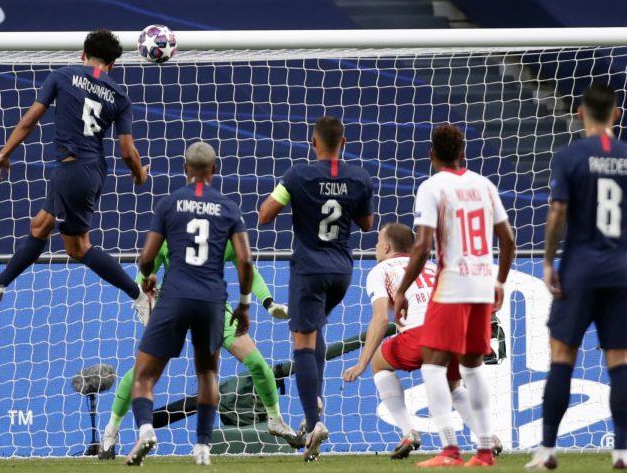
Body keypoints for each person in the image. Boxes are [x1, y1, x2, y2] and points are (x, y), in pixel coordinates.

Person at [0, 29, 151, 321]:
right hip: (91, 170)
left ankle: (140, 296)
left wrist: (4, 153)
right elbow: (127, 149)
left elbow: (29, 120)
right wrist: (138, 175)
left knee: (79, 248)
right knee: (40, 226)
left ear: (83, 55)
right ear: (112, 65)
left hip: (72, 171)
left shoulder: (62, 76)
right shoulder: (120, 96)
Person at [99, 240, 295, 460]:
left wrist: (268, 303)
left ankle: (275, 420)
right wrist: (145, 300)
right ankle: (111, 431)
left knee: (256, 363)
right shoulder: (169, 235)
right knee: (142, 371)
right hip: (173, 307)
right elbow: (144, 275)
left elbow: (249, 271)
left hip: (213, 308)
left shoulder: (224, 233)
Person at [124, 142, 253, 467]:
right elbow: (245, 261)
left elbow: (147, 257)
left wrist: (148, 277)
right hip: (211, 299)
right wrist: (243, 304)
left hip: (175, 297)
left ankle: (145, 430)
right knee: (208, 373)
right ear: (215, 169)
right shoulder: (228, 207)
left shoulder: (169, 204)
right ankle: (203, 449)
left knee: (144, 377)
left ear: (185, 168)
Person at [393, 124, 515, 467]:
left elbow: (422, 245)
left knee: (432, 365)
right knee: (471, 369)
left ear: (432, 155)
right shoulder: (484, 185)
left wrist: (402, 290)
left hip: (452, 286)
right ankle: (485, 451)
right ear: (463, 153)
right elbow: (508, 241)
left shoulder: (432, 187)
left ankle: (449, 450)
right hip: (481, 285)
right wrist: (500, 283)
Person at [258, 116, 374, 462]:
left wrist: (292, 200)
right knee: (315, 328)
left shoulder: (297, 176)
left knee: (302, 342)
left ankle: (313, 420)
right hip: (342, 272)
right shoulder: (359, 178)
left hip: (309, 269)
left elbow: (265, 214)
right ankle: (317, 398)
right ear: (345, 142)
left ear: (313, 142)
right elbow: (367, 223)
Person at [526, 85, 627, 470]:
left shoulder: (569, 156)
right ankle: (622, 451)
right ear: (615, 114)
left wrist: (549, 261)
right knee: (620, 360)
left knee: (562, 356)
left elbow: (557, 214)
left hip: (580, 269)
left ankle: (548, 449)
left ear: (581, 112)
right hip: (621, 270)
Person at [343, 222, 502, 459]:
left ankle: (409, 432)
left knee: (379, 362)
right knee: (452, 386)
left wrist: (362, 363)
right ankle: (486, 436)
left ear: (386, 247)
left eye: (377, 243)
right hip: (456, 334)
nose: (375, 247)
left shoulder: (381, 269)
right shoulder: (430, 266)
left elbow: (379, 318)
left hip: (421, 336)